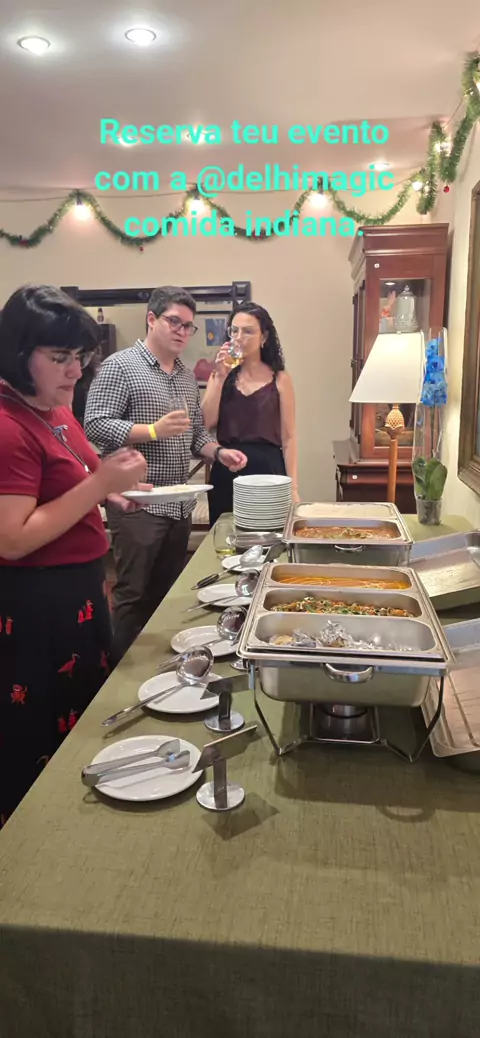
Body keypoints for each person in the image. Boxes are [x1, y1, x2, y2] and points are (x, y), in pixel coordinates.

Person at [0, 284, 149, 827]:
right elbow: (12, 538)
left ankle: (80, 822)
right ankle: (35, 834)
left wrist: (111, 493)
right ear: (20, 353)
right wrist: (100, 484)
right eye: (60, 357)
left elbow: (77, 482)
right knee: (40, 727)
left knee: (83, 711)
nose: (75, 370)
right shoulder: (7, 425)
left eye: (80, 356)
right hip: (37, 604)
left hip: (79, 591)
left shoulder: (56, 411)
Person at [84, 285, 247, 662]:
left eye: (189, 326)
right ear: (152, 319)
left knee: (167, 596)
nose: (182, 331)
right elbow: (94, 424)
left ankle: (158, 668)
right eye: (175, 322)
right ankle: (115, 678)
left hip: (178, 505)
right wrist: (151, 431)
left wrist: (220, 452)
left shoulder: (186, 376)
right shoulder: (121, 366)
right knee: (133, 596)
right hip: (137, 503)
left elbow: (196, 435)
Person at [201, 301, 299, 527]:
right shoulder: (220, 376)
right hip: (227, 468)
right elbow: (205, 423)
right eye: (234, 331)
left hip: (269, 470)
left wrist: (293, 488)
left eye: (247, 331)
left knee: (270, 535)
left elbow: (289, 438)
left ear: (264, 337)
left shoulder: (280, 379)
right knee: (224, 536)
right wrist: (220, 376)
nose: (239, 337)